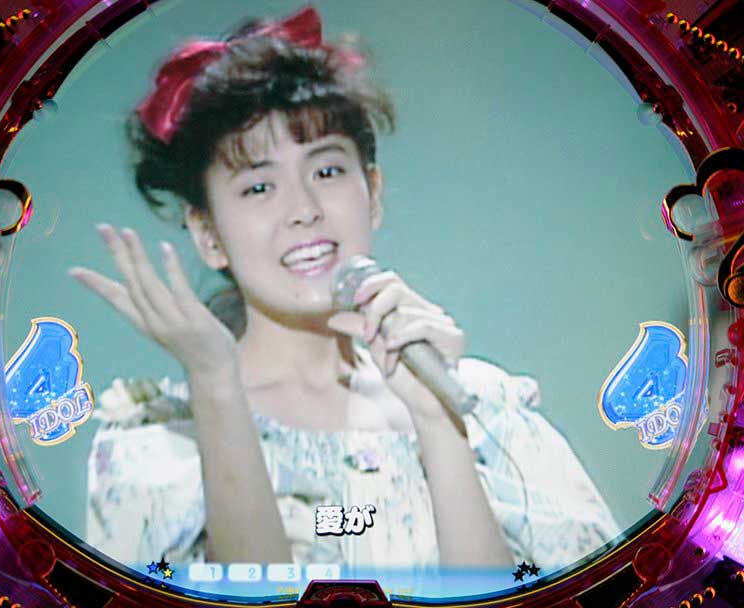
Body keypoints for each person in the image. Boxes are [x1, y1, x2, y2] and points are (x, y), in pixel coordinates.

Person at [72, 6, 619, 570]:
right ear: (208, 234)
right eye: (259, 187)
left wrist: (440, 427)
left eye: (327, 171)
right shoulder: (160, 444)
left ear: (372, 192)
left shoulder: (483, 409)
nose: (303, 209)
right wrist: (216, 386)